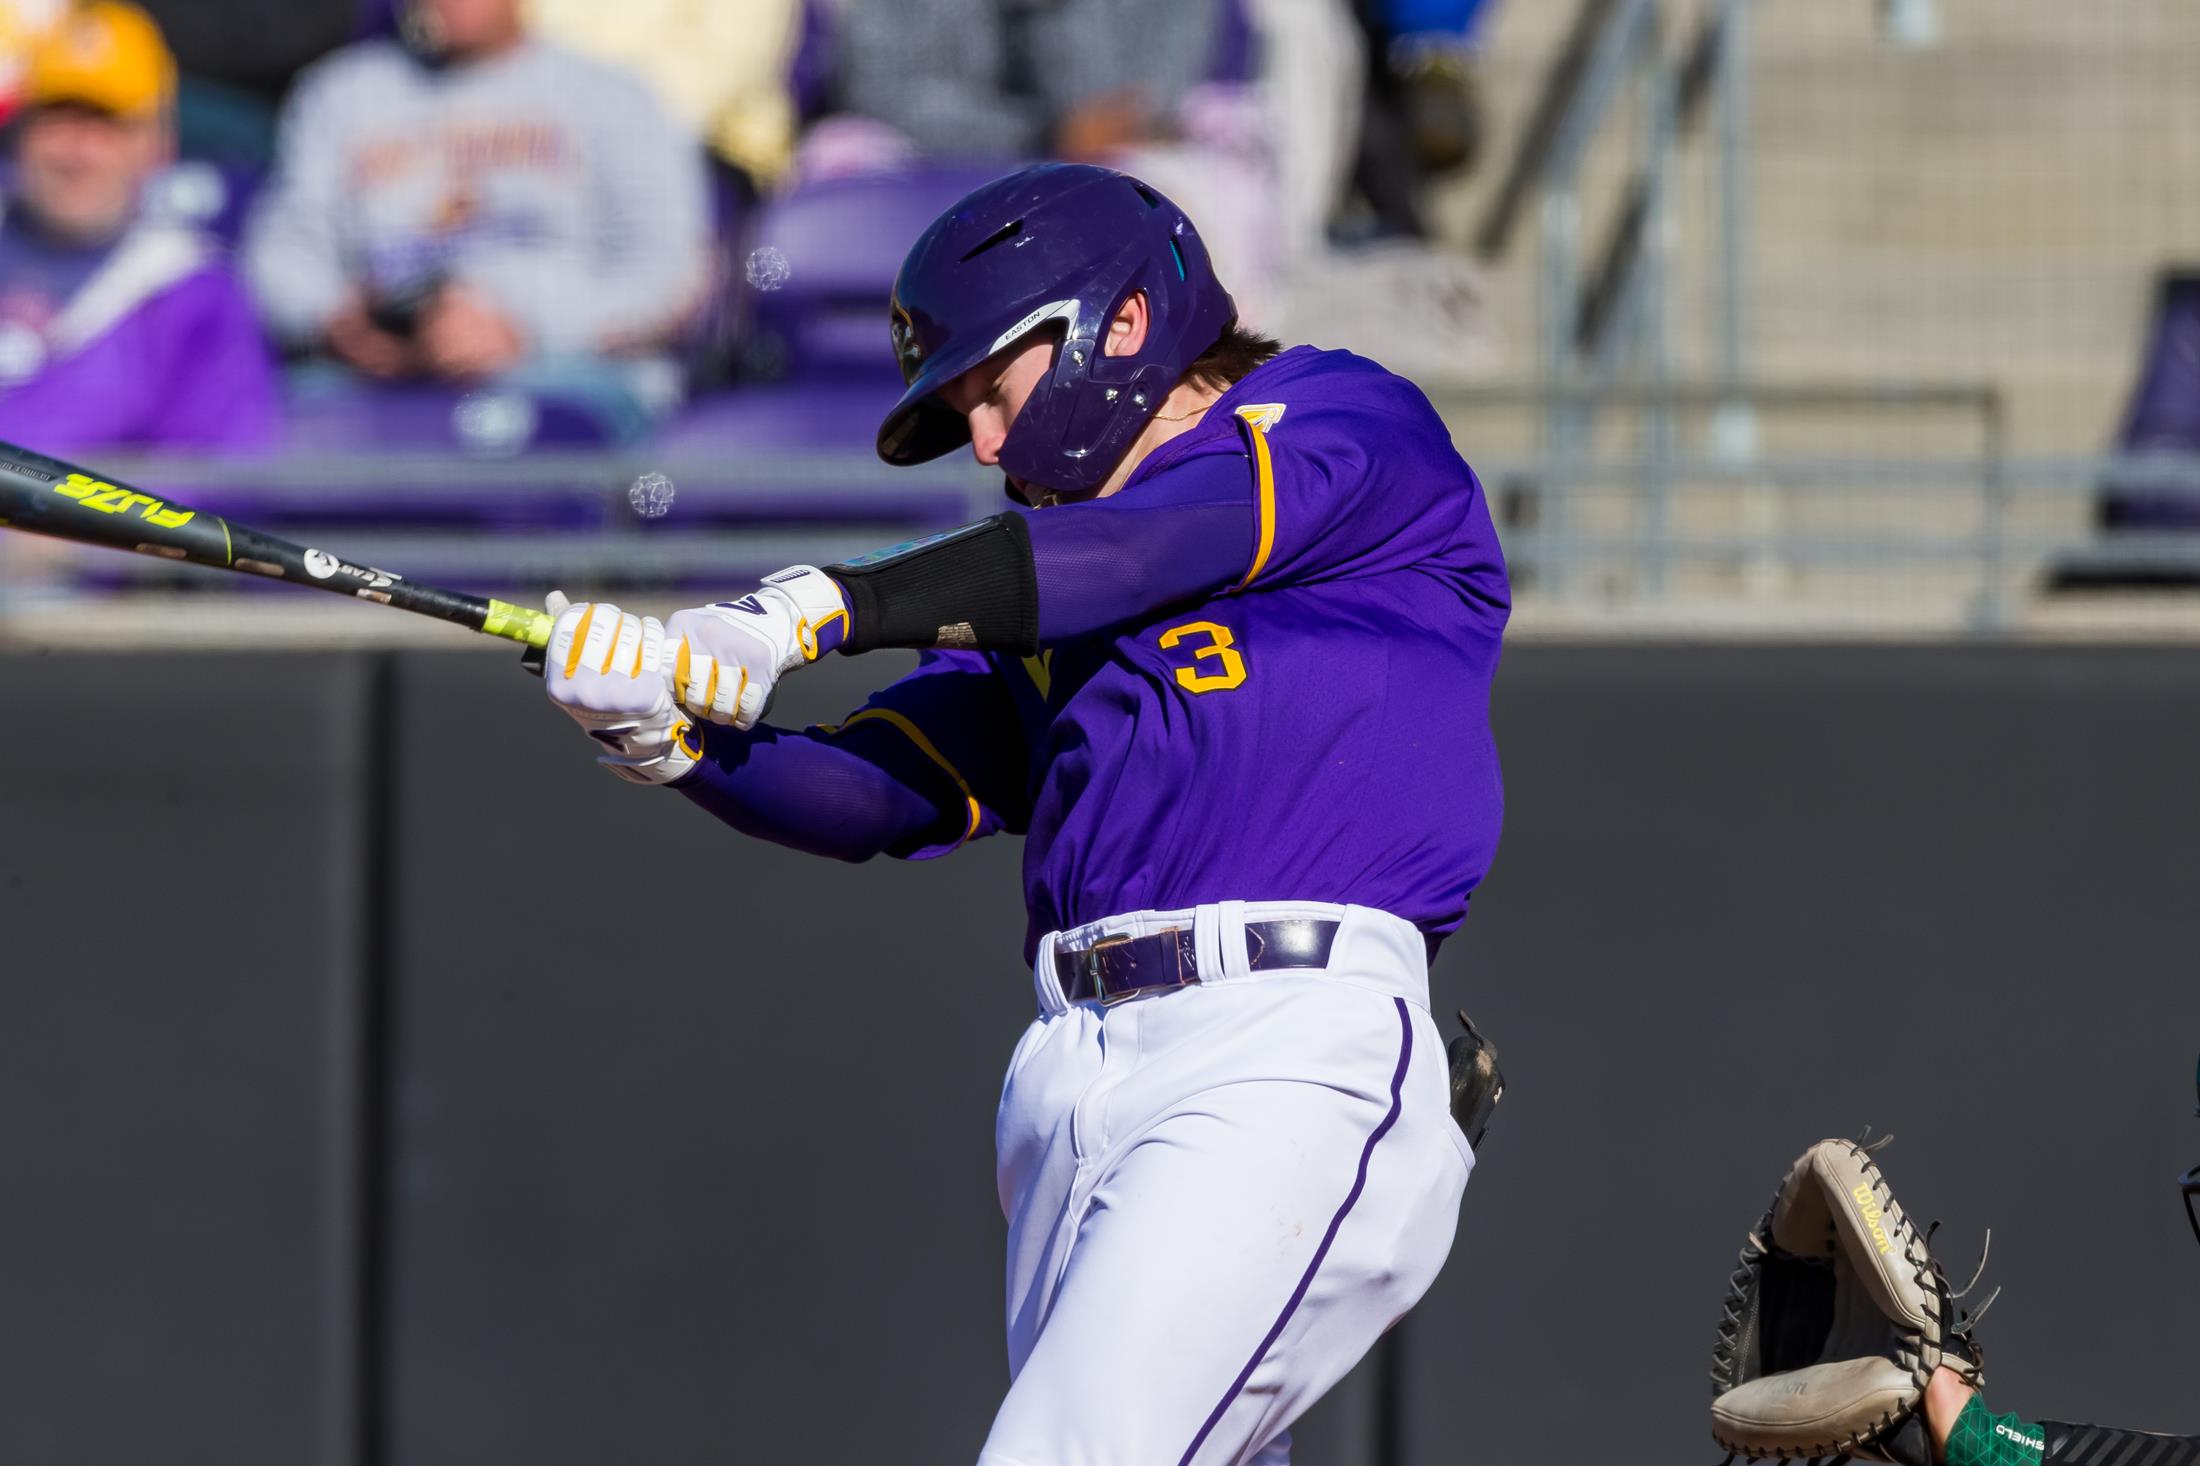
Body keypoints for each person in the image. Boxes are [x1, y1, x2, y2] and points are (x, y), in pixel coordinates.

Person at [537, 162, 1509, 1464]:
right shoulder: (1055, 583)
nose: (987, 444)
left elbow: (1140, 552)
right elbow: (879, 785)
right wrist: (666, 736)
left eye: (994, 389)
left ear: (1118, 322)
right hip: (1073, 1075)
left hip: (1285, 1043)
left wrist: (807, 610)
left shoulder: (1340, 415)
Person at [242, 0, 709, 438]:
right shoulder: (339, 94)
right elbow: (281, 255)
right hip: (379, 381)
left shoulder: (613, 95)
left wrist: (524, 330)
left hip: (566, 378)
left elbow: (671, 278)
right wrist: (335, 321)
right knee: (269, 421)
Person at [0, 0, 275, 451]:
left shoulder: (191, 292)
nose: (77, 152)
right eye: (57, 118)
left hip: (77, 522)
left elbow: (216, 482)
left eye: (107, 124)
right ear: (21, 132)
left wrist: (49, 521)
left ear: (159, 143)